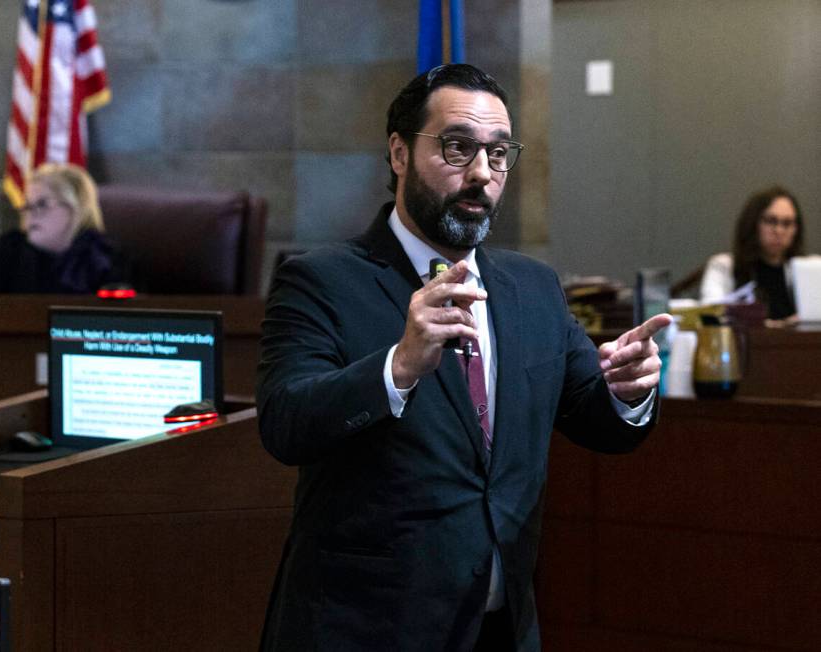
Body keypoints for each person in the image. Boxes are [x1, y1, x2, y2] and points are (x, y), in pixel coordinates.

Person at [257, 64, 670, 651]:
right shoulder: (320, 281)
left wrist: (629, 393)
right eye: (458, 147)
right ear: (399, 154)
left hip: (500, 628)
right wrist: (398, 367)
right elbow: (285, 424)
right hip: (366, 631)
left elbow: (597, 418)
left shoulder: (533, 288)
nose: (482, 173)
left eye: (498, 154)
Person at [0, 163, 130, 293]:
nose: (30, 214)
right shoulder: (8, 251)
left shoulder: (104, 259)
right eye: (27, 205)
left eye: (42, 204)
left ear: (75, 207)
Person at [700, 185, 805, 321]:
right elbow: (711, 314)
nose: (779, 231)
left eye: (787, 223)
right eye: (770, 221)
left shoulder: (806, 270)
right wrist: (779, 326)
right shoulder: (724, 266)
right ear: (753, 223)